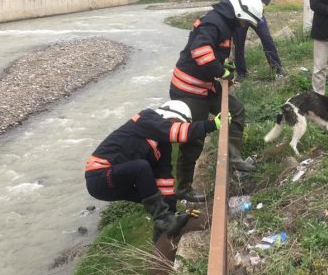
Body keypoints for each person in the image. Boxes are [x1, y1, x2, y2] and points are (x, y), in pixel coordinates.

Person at [169, 0, 262, 202]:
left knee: (235, 110)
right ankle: (183, 189)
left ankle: (234, 158)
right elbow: (200, 51)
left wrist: (222, 65)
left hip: (204, 85)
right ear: (239, 13)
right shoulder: (213, 23)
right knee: (194, 139)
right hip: (189, 89)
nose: (244, 26)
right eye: (245, 22)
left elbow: (212, 52)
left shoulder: (223, 21)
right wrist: (221, 72)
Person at [84, 100, 224, 241]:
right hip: (99, 176)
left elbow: (164, 178)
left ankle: (162, 235)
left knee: (158, 199)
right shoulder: (146, 118)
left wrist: (172, 211)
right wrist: (210, 125)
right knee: (141, 167)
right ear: (169, 115)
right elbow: (173, 131)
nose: (178, 127)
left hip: (114, 183)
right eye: (177, 123)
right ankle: (164, 220)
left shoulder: (163, 144)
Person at [214, 0, 285, 82]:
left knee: (267, 40)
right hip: (239, 17)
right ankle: (242, 74)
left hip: (257, 15)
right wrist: (227, 4)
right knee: (239, 45)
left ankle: (277, 69)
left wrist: (264, 3)